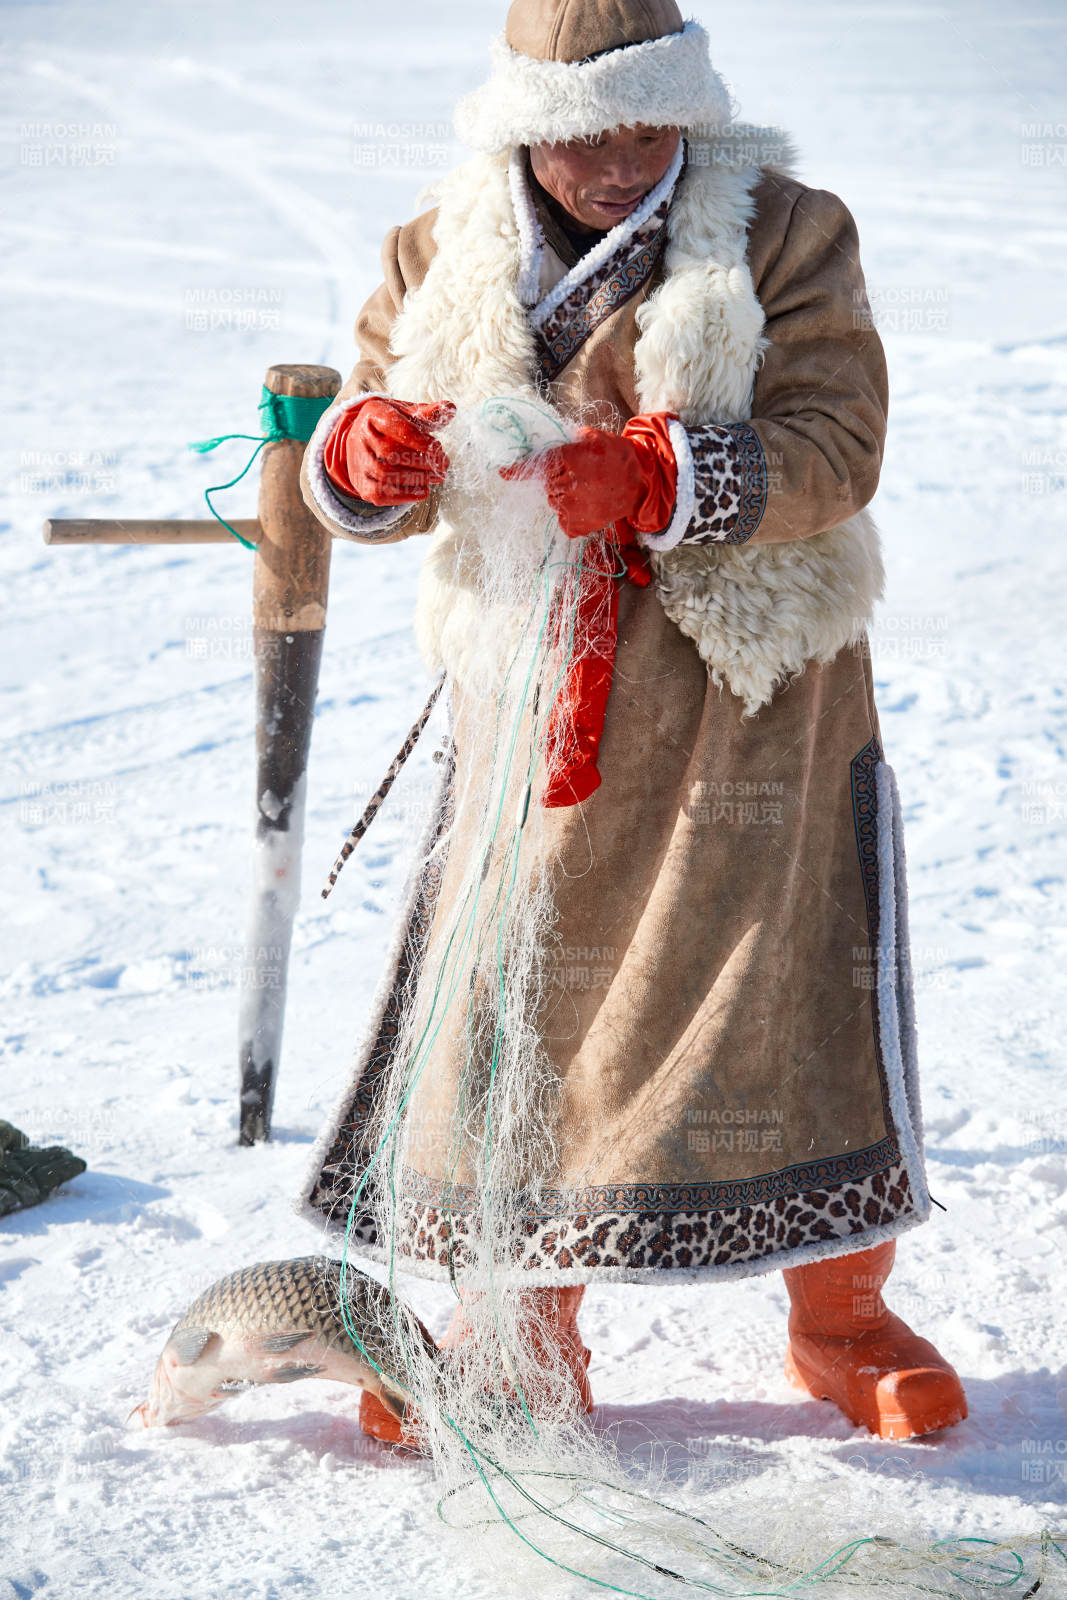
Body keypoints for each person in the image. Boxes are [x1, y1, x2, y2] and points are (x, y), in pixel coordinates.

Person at [298, 0, 967, 1450]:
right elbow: (365, 436)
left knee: (782, 980)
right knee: (515, 1003)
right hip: (533, 692)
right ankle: (524, 1319)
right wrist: (364, 458)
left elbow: (838, 445)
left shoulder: (787, 231)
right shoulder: (440, 246)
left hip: (751, 694)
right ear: (525, 128)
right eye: (586, 130)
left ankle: (843, 1313)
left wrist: (664, 480)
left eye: (650, 123)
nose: (620, 159)